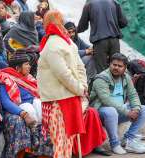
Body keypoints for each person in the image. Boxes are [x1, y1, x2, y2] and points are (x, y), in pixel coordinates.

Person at [37, 10, 87, 158]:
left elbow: (64, 74)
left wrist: (80, 89)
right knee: (66, 141)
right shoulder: (67, 41)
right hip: (69, 97)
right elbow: (79, 68)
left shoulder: (52, 44)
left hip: (58, 101)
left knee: (60, 142)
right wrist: (82, 87)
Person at [0, 51, 53, 158]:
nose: (29, 66)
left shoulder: (29, 78)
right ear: (18, 67)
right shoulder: (4, 78)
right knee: (17, 121)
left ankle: (43, 154)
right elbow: (5, 102)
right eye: (26, 64)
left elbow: (39, 94)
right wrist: (23, 114)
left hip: (33, 107)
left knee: (49, 116)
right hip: (15, 110)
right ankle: (22, 154)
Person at [90, 53, 145, 154]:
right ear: (110, 64)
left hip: (119, 111)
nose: (116, 68)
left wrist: (136, 109)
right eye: (114, 64)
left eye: (119, 66)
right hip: (101, 112)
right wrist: (127, 112)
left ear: (125, 67)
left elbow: (133, 94)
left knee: (143, 109)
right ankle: (114, 144)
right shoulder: (101, 78)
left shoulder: (126, 78)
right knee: (111, 111)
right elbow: (106, 100)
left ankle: (128, 140)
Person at [77, 0, 128, 73]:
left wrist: (74, 30)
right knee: (117, 70)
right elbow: (123, 23)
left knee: (102, 72)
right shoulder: (114, 2)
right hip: (115, 41)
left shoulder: (89, 4)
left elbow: (83, 26)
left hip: (100, 42)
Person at [4, 12, 39, 76]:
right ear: (28, 19)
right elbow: (7, 41)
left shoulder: (34, 30)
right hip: (17, 54)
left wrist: (34, 48)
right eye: (32, 19)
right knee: (30, 57)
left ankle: (32, 77)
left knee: (36, 55)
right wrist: (21, 49)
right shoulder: (15, 29)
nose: (34, 21)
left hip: (30, 53)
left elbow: (35, 46)